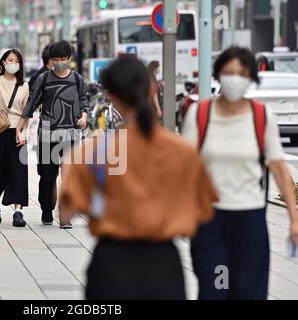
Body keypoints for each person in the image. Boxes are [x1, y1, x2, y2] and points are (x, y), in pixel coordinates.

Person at [59, 55, 218, 300]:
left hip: (111, 264)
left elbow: (67, 209)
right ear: (152, 88)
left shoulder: (96, 150)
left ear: (111, 95)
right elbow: (203, 211)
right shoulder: (181, 150)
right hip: (163, 266)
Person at [182, 46, 298, 300]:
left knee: (248, 292)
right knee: (214, 292)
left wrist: (294, 218)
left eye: (241, 72)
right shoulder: (200, 115)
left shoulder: (261, 115)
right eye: (228, 71)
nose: (235, 77)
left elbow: (277, 166)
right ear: (218, 74)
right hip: (209, 221)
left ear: (251, 77)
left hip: (250, 220)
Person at [16, 40, 88, 228]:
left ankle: (65, 216)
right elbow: (30, 105)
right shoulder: (44, 79)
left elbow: (83, 101)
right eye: (55, 59)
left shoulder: (77, 80)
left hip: (71, 135)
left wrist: (84, 116)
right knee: (47, 176)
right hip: (47, 135)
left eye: (63, 59)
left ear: (69, 59)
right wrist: (19, 128)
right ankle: (47, 210)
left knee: (68, 176)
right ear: (50, 60)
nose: (59, 62)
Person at [0, 49, 30, 227]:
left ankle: (18, 212)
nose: (13, 63)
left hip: (16, 132)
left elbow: (26, 113)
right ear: (3, 62)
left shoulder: (24, 86)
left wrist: (22, 132)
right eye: (9, 60)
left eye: (16, 61)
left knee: (19, 172)